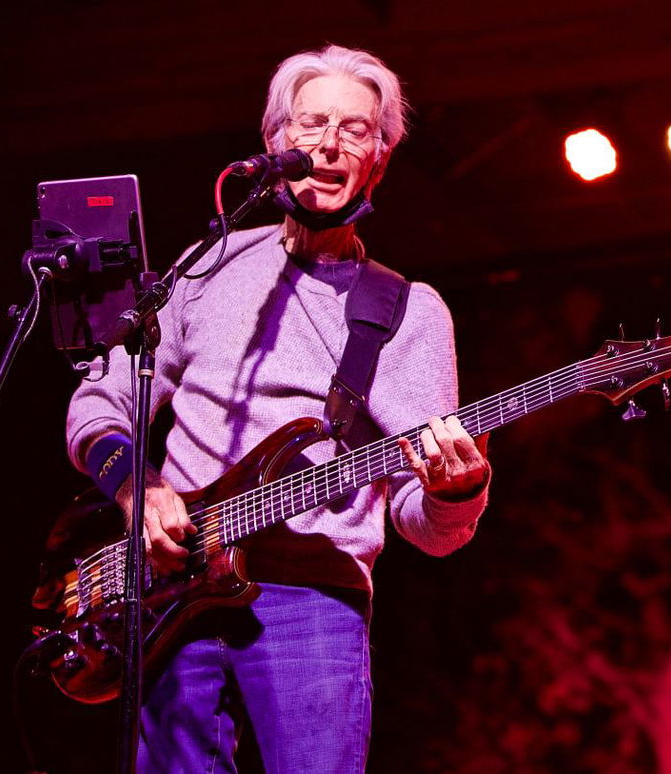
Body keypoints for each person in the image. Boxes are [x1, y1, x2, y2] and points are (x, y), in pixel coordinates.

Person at [66, 44, 491, 772]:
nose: (329, 144)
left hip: (313, 604)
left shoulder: (410, 312)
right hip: (172, 587)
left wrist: (458, 492)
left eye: (355, 130)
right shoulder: (207, 267)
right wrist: (138, 488)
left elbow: (425, 525)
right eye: (311, 123)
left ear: (379, 159)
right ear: (274, 142)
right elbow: (98, 401)